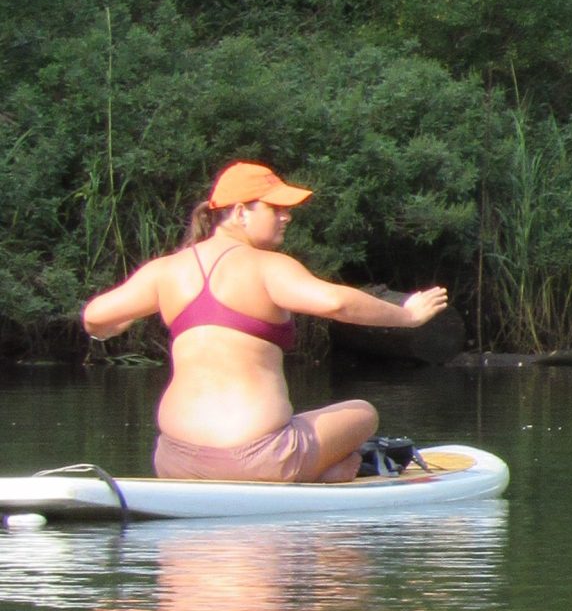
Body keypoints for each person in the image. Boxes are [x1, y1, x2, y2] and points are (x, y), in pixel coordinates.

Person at [80, 161, 451, 482]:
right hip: (259, 458)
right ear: (240, 212)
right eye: (276, 209)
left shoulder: (165, 271)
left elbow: (95, 317)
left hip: (175, 460)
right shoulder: (268, 267)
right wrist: (407, 316)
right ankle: (333, 472)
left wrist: (116, 325)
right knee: (362, 414)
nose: (286, 216)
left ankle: (330, 472)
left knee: (317, 439)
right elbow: (336, 303)